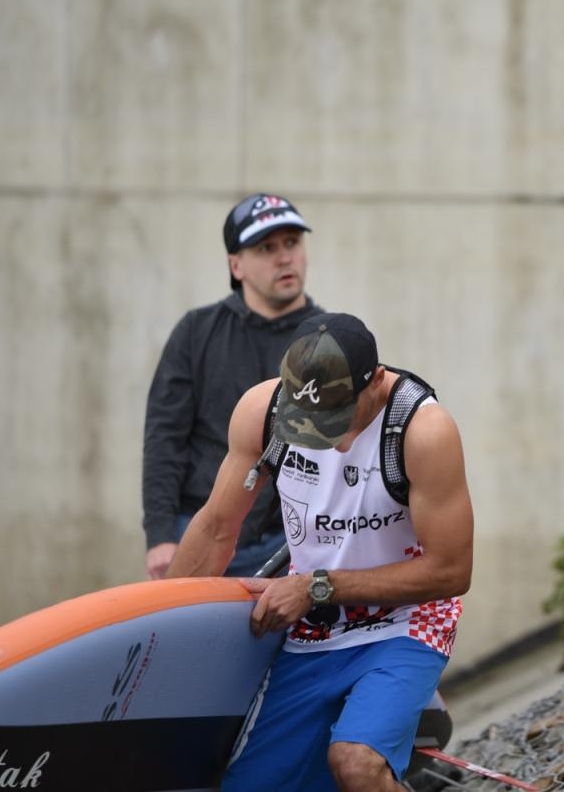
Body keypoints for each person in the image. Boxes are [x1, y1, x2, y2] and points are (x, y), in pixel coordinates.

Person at [167, 313, 472, 791]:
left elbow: (452, 571)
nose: (321, 436)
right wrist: (163, 630)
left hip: (405, 621)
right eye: (305, 420)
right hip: (314, 627)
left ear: (375, 383)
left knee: (355, 762)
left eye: (333, 418)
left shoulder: (422, 430)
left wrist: (317, 587)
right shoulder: (261, 411)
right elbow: (215, 528)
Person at [143, 193, 324, 579]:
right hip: (199, 531)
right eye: (266, 248)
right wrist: (160, 534)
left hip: (292, 544)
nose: (284, 257)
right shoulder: (196, 332)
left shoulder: (330, 340)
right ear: (236, 265)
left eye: (292, 243)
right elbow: (164, 438)